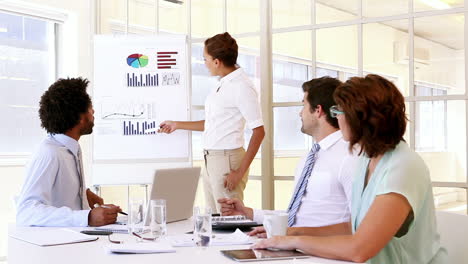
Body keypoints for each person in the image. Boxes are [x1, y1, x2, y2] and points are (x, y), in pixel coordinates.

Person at [252, 74, 447, 264]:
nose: (336, 119)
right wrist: (292, 231)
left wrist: (292, 241)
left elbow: (359, 249)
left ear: (360, 116)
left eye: (339, 111)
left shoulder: (404, 166)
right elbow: (353, 227)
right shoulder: (366, 160)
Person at [219, 77, 358, 237]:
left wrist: (292, 236)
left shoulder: (349, 156)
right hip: (295, 246)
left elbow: (359, 226)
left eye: (303, 105)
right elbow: (295, 217)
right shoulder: (309, 158)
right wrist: (249, 213)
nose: (300, 113)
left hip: (320, 253)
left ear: (318, 110)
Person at [158, 32, 265, 213]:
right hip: (212, 159)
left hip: (227, 160)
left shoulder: (242, 87)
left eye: (205, 59)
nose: (204, 63)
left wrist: (239, 172)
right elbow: (213, 123)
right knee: (215, 219)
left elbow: (259, 131)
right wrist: (177, 124)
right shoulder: (222, 84)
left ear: (217, 62)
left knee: (229, 219)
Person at [16, 77, 121, 227]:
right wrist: (87, 217)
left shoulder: (71, 148)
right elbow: (26, 213)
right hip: (59, 246)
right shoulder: (49, 153)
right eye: (90, 107)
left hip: (77, 240)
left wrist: (82, 195)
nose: (93, 111)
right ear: (80, 117)